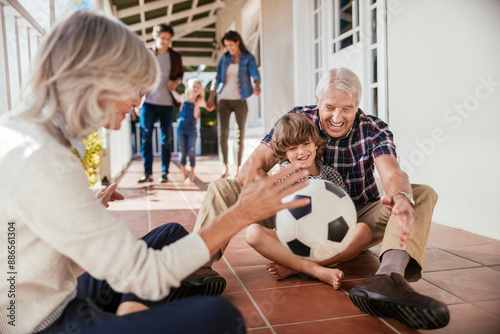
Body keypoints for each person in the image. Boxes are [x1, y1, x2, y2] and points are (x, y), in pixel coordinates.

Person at [0, 11, 311, 334]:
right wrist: (242, 212)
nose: (138, 102)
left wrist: (84, 208)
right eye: (134, 87)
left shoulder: (27, 136)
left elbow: (23, 236)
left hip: (56, 298)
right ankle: (136, 316)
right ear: (97, 80)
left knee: (172, 233)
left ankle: (132, 314)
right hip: (42, 324)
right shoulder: (44, 160)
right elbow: (145, 273)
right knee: (221, 317)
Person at [194, 68, 450, 330]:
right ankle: (197, 265)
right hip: (289, 206)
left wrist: (401, 196)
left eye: (347, 109)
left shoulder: (374, 129)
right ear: (318, 103)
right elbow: (250, 168)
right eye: (330, 107)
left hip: (353, 214)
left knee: (418, 193)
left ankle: (388, 278)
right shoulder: (298, 119)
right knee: (223, 188)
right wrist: (279, 198)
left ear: (357, 105)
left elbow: (392, 172)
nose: (337, 117)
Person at [245, 113, 372, 290]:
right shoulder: (283, 177)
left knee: (363, 231)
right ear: (284, 152)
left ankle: (295, 267)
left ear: (315, 143)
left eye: (306, 144)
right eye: (293, 148)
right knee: (253, 233)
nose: (301, 152)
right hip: (291, 242)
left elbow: (345, 210)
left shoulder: (331, 175)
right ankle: (315, 270)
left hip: (327, 241)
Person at [206, 30, 261, 178]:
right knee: (223, 133)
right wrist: (211, 98)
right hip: (223, 99)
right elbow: (217, 78)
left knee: (239, 134)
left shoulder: (248, 57)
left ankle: (237, 168)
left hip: (240, 100)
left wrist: (256, 85)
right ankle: (225, 167)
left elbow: (254, 73)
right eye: (226, 46)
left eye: (230, 45)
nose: (228, 48)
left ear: (237, 42)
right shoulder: (224, 59)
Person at [138, 23, 183, 184]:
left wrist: (176, 82)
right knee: (146, 137)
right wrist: (137, 102)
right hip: (148, 102)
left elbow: (180, 75)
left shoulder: (175, 56)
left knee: (166, 139)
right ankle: (147, 172)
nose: (165, 42)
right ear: (155, 37)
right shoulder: (147, 53)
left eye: (168, 39)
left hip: (167, 103)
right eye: (163, 38)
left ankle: (164, 171)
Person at [171, 78, 214, 183]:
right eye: (194, 86)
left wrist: (210, 106)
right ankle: (184, 173)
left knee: (191, 150)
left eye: (198, 87)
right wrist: (171, 89)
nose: (196, 89)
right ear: (189, 87)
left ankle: (192, 173)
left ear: (200, 90)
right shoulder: (184, 97)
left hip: (191, 128)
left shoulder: (199, 101)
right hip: (181, 127)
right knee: (182, 150)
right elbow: (176, 97)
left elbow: (208, 107)